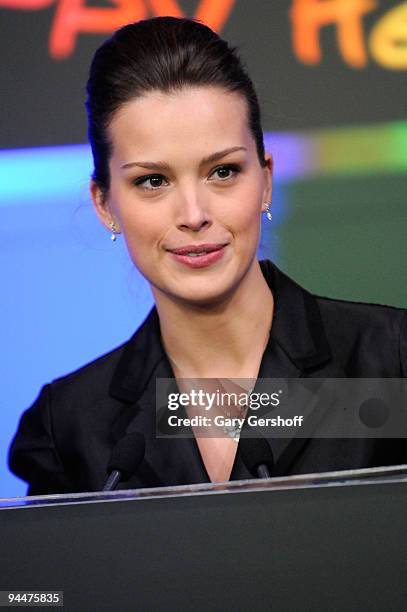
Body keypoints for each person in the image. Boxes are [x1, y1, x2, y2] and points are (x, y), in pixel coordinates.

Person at [9, 17, 407, 496]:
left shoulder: (388, 362)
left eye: (222, 171)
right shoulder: (70, 429)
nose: (194, 214)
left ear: (265, 179)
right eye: (152, 181)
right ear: (104, 203)